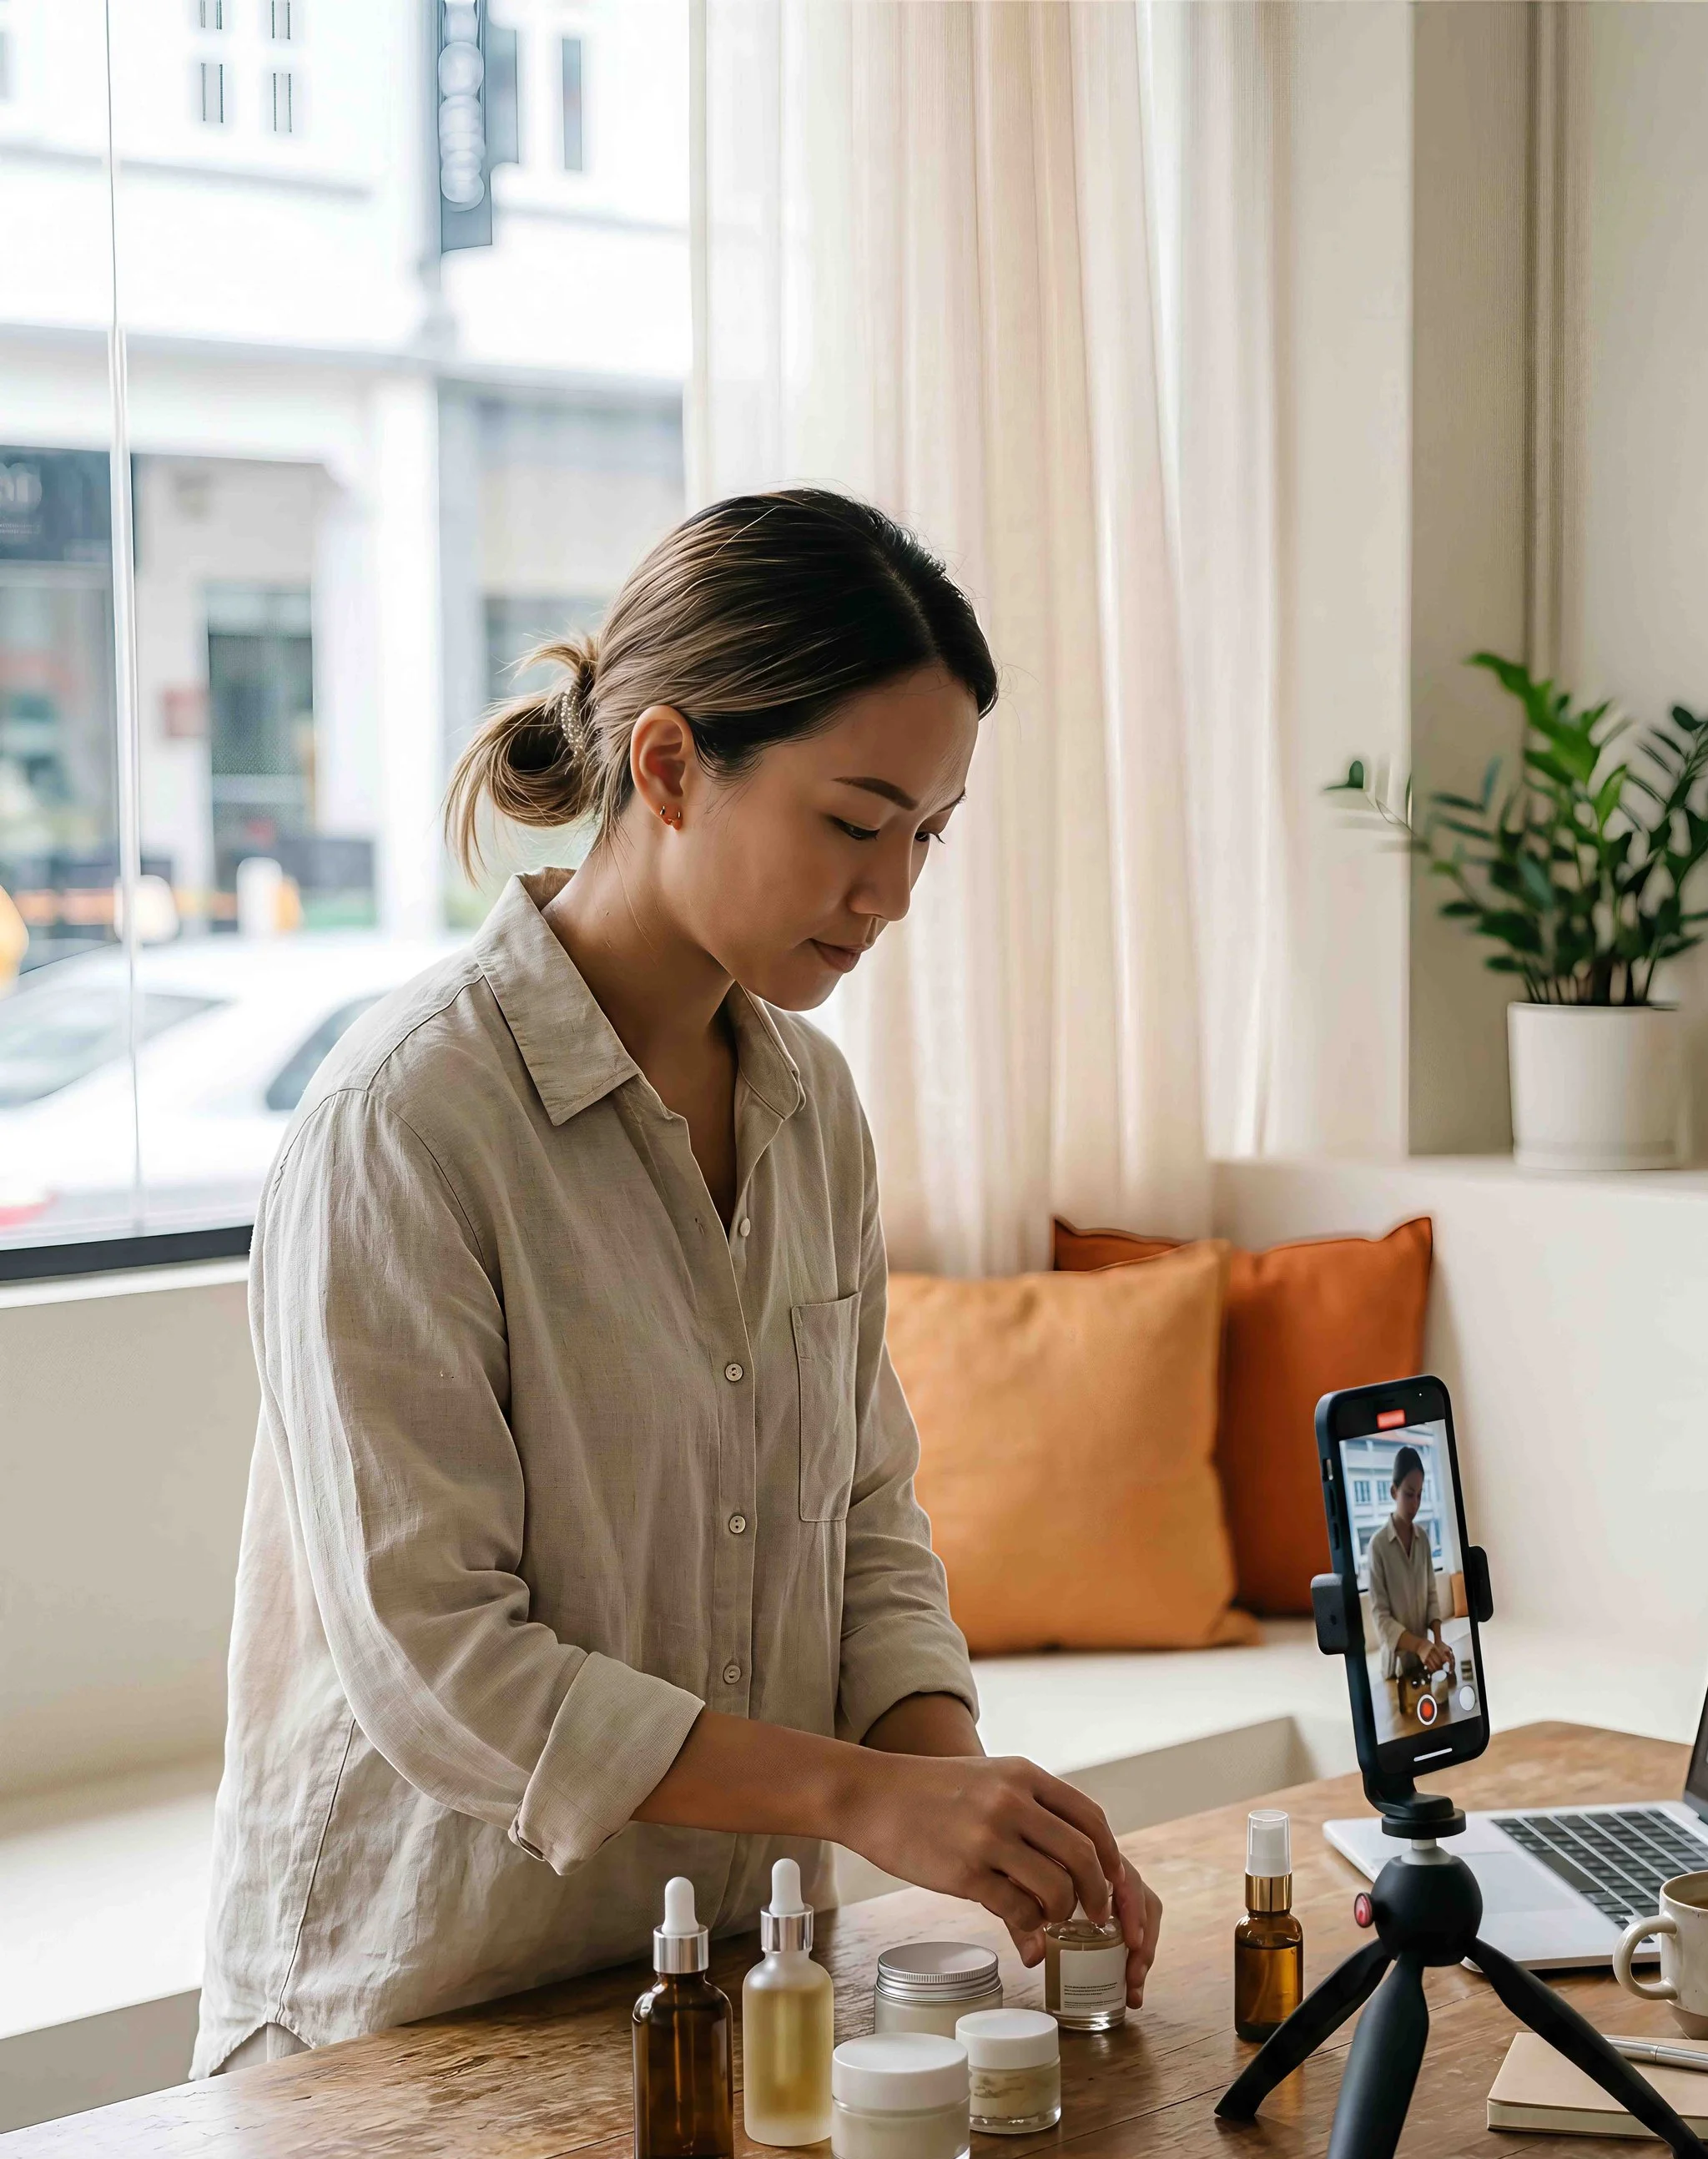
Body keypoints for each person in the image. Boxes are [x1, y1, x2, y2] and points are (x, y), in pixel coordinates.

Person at [194, 490, 1161, 2076]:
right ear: (665, 765)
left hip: (719, 1991)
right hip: (409, 2028)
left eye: (928, 833)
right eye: (855, 823)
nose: (896, 890)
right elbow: (442, 1664)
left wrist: (975, 1814)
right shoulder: (407, 1122)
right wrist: (859, 1795)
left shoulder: (814, 1109)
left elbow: (863, 1523)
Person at [1367, 1446, 1452, 1686]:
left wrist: (1437, 1641)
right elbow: (1381, 1619)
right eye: (1409, 1494)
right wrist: (1420, 1645)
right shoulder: (1378, 1546)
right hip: (1396, 1671)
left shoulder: (1423, 1539)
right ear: (1394, 1491)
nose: (1415, 1503)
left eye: (1420, 1494)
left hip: (1423, 1663)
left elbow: (1432, 1595)